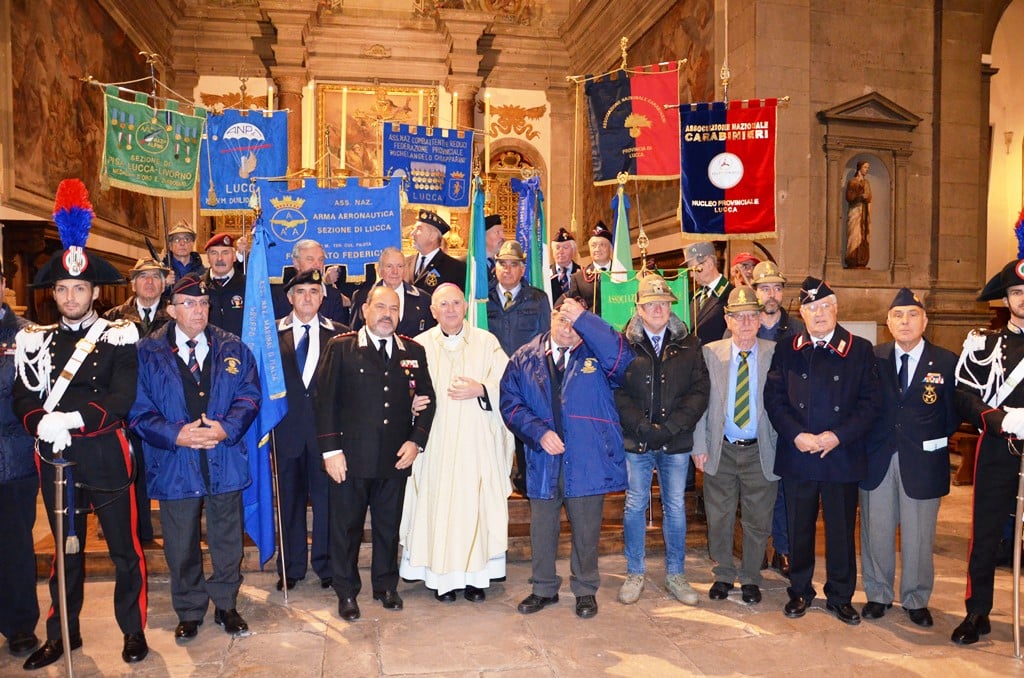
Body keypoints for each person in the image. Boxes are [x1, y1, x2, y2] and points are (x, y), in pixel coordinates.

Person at [14, 179, 147, 669]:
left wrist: (72, 417)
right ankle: (61, 634)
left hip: (105, 454)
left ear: (94, 291)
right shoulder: (35, 340)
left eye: (79, 288)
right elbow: (22, 395)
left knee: (123, 551)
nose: (71, 296)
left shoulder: (118, 336)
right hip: (56, 459)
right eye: (63, 289)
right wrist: (38, 423)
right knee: (63, 555)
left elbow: (122, 396)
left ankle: (132, 632)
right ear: (55, 292)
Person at [129, 274, 260, 643]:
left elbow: (250, 395)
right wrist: (176, 434)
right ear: (171, 310)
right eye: (188, 303)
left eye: (203, 303)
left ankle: (226, 604)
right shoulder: (146, 351)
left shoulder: (233, 347)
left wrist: (225, 428)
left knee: (226, 539)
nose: (198, 310)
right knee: (180, 541)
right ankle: (188, 610)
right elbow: (137, 410)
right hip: (174, 463)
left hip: (224, 457)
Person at [501, 298, 635, 619]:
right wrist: (538, 432)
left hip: (588, 459)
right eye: (563, 319)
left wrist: (586, 320)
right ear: (551, 318)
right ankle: (544, 588)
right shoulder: (524, 357)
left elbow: (624, 359)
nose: (568, 328)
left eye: (576, 323)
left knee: (587, 529)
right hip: (543, 459)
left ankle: (585, 589)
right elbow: (511, 403)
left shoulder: (597, 353)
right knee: (542, 528)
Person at [315, 285, 436, 622]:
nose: (387, 314)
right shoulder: (341, 348)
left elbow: (428, 400)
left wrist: (416, 441)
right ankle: (346, 592)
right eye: (380, 306)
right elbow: (324, 403)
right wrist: (331, 451)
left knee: (388, 528)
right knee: (346, 529)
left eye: (393, 308)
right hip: (350, 459)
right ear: (365, 309)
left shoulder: (412, 351)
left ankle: (385, 585)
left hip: (394, 458)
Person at [764, 277, 881, 626]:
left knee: (842, 531)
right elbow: (775, 399)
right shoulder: (786, 349)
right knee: (799, 529)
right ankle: (799, 590)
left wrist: (837, 436)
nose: (820, 314)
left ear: (837, 309)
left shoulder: (859, 349)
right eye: (812, 308)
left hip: (840, 456)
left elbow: (870, 404)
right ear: (802, 312)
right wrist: (796, 434)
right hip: (798, 453)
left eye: (826, 306)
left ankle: (841, 596)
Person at [400, 283, 514, 602]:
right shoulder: (418, 346)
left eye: (455, 303)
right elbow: (401, 390)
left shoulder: (486, 342)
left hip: (476, 443)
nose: (450, 309)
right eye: (443, 304)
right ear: (432, 311)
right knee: (436, 504)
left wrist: (482, 387)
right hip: (434, 444)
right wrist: (408, 404)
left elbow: (508, 383)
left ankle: (478, 578)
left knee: (475, 504)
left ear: (465, 307)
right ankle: (441, 580)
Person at [859, 288, 958, 629]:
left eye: (912, 315)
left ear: (925, 320)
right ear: (888, 322)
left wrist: (922, 438)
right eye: (898, 315)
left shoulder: (946, 361)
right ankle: (878, 594)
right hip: (878, 460)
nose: (905, 321)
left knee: (919, 536)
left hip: (923, 461)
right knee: (877, 531)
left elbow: (951, 415)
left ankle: (916, 599)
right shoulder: (873, 358)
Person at [615, 275, 709, 606]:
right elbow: (616, 390)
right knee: (635, 504)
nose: (658, 309)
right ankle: (635, 572)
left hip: (675, 441)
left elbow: (699, 392)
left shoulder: (690, 345)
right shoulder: (622, 345)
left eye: (664, 304)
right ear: (638, 309)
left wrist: (671, 428)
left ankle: (675, 574)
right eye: (650, 304)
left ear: (671, 308)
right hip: (638, 441)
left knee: (675, 507)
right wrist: (641, 426)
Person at [951, 258, 1024, 644]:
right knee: (985, 532)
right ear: (1004, 299)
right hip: (998, 446)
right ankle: (977, 611)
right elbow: (963, 393)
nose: (1023, 298)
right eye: (1016, 292)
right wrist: (998, 420)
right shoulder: (984, 342)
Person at [693, 287, 778, 605]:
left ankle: (752, 577)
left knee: (758, 518)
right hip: (721, 448)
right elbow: (701, 403)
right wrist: (699, 444)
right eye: (738, 316)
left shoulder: (775, 352)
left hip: (761, 450)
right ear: (727, 320)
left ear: (759, 320)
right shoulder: (710, 353)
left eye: (752, 316)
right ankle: (724, 573)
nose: (745, 322)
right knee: (719, 515)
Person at [274, 269, 349, 591]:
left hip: (325, 437)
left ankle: (326, 564)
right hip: (286, 434)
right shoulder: (269, 334)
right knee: (288, 503)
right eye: (300, 292)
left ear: (323, 297)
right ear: (290, 298)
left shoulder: (343, 334)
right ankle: (290, 567)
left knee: (327, 503)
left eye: (314, 292)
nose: (307, 298)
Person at [105, 257, 172, 543]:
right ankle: (138, 534)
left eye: (155, 277)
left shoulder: (174, 317)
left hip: (164, 410)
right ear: (133, 283)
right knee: (131, 473)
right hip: (126, 408)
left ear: (163, 283)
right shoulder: (112, 318)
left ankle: (175, 537)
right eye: (143, 277)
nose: (149, 282)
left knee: (167, 472)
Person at [750, 260, 804, 577]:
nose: (772, 294)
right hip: (751, 420)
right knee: (755, 491)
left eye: (777, 288)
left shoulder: (797, 331)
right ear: (754, 291)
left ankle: (783, 550)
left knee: (784, 491)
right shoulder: (743, 324)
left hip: (784, 422)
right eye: (765, 287)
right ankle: (755, 550)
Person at [486, 239, 551, 495]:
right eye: (503, 263)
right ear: (496, 267)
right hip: (491, 378)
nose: (508, 269)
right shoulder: (482, 297)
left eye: (514, 264)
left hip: (526, 378)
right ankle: (495, 484)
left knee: (526, 433)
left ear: (523, 269)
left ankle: (527, 485)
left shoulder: (537, 298)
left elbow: (546, 338)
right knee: (493, 434)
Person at [0, 266, 39, 659]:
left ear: (3, 286)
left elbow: (32, 393)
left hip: (12, 457)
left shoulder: (27, 335)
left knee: (14, 546)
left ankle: (19, 625)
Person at [350, 247, 434, 335]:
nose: (395, 271)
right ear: (379, 270)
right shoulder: (361, 297)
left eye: (400, 266)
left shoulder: (424, 299)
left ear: (405, 270)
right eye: (389, 266)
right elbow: (355, 335)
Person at [272, 239, 352, 325]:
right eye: (310, 259)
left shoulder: (333, 296)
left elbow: (338, 332)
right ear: (296, 263)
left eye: (321, 260)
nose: (317, 265)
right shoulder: (278, 297)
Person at [406, 209, 467, 295]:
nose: (412, 233)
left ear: (433, 236)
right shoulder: (406, 263)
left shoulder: (455, 267)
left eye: (419, 229)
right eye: (413, 229)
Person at [684, 241, 733, 345]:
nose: (692, 275)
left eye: (694, 269)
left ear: (709, 264)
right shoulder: (694, 297)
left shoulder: (729, 295)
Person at [562, 221, 614, 314]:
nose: (597, 249)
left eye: (602, 245)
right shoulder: (578, 278)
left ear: (611, 248)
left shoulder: (623, 274)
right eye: (593, 245)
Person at [201, 233, 246, 336]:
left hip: (240, 349)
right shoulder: (198, 286)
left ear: (234, 257)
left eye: (225, 253)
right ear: (208, 258)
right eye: (214, 253)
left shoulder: (248, 286)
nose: (220, 258)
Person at [845, 160, 872, 268]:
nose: (866, 169)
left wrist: (867, 197)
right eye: (865, 167)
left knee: (863, 235)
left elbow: (870, 197)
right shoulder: (852, 182)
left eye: (868, 168)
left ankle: (861, 258)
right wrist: (859, 197)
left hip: (864, 213)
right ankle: (852, 258)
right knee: (853, 234)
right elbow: (849, 197)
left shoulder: (867, 183)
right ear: (859, 168)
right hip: (855, 211)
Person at [165, 219, 205, 285]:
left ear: (192, 244)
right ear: (170, 245)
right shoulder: (162, 269)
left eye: (187, 239)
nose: (182, 243)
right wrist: (163, 285)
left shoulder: (203, 272)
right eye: (177, 239)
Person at [549, 227, 580, 302]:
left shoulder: (582, 273)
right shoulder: (544, 274)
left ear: (573, 251)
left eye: (565, 247)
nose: (561, 251)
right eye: (557, 248)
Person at [484, 214, 504, 288]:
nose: (503, 237)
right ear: (483, 236)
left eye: (503, 232)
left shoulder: (507, 263)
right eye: (497, 232)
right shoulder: (469, 263)